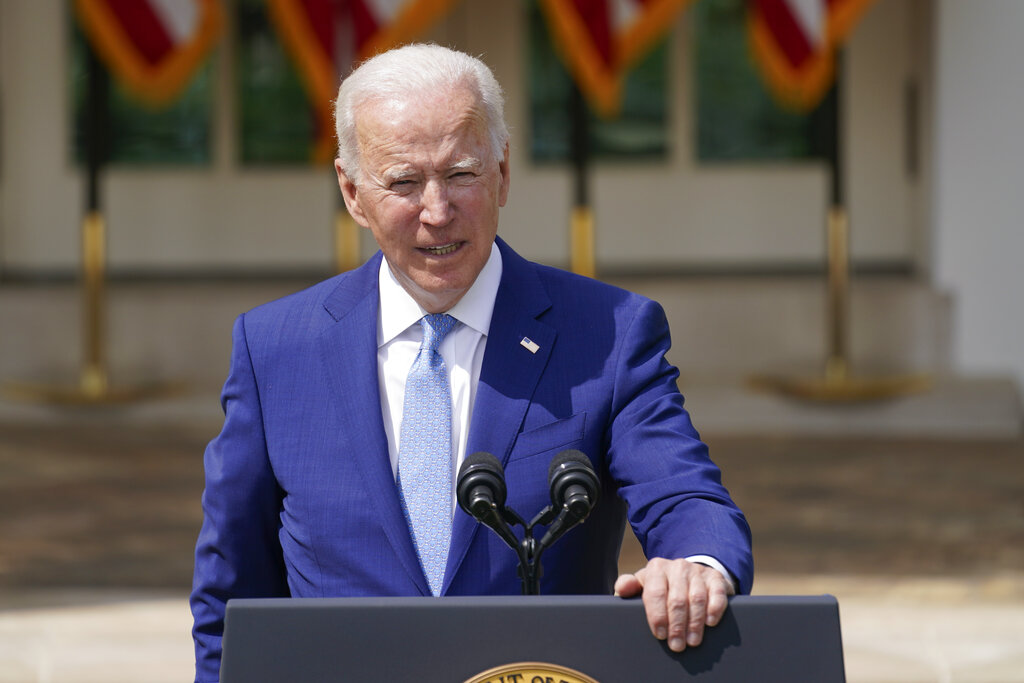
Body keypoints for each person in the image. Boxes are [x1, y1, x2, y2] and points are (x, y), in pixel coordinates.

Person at [190, 43, 752, 681]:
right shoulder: (275, 350)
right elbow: (229, 602)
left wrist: (697, 568)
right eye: (403, 182)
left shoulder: (608, 334)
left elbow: (682, 494)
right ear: (352, 192)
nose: (436, 211)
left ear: (503, 172)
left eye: (460, 175)